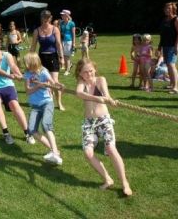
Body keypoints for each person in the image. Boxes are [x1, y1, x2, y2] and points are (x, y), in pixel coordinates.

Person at [75, 58, 132, 196]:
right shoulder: (82, 83)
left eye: (91, 70)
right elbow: (79, 93)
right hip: (89, 122)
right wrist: (96, 98)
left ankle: (125, 183)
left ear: (95, 69)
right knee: (88, 153)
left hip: (104, 120)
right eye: (85, 72)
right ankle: (107, 179)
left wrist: (109, 100)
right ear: (80, 74)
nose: (89, 74)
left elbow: (106, 95)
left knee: (111, 149)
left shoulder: (101, 80)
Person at [0, 37, 35, 145]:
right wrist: (10, 75)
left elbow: (13, 66)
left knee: (14, 105)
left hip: (8, 86)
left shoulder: (7, 55)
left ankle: (27, 133)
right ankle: (6, 133)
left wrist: (19, 75)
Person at [23, 52, 64, 165]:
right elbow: (27, 91)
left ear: (34, 63)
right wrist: (38, 86)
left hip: (47, 103)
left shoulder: (44, 71)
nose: (26, 67)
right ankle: (54, 150)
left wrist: (59, 86)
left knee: (46, 125)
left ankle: (55, 153)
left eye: (28, 65)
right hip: (35, 106)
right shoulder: (27, 74)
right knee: (31, 130)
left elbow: (53, 83)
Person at [30, 10, 65, 111]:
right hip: (41, 59)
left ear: (50, 18)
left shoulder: (55, 29)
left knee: (54, 82)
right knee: (44, 82)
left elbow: (58, 44)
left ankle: (59, 103)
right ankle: (47, 102)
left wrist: (61, 57)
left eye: (47, 17)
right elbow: (33, 47)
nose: (45, 19)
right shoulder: (37, 31)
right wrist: (30, 59)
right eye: (43, 17)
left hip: (53, 57)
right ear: (41, 18)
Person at [158, 2, 178, 94]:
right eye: (165, 8)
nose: (166, 10)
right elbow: (162, 35)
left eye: (168, 8)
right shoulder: (165, 20)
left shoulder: (177, 19)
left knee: (171, 65)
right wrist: (160, 47)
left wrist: (176, 45)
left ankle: (175, 87)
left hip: (173, 46)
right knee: (168, 65)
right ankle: (171, 84)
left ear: (173, 9)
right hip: (165, 45)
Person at [59, 9, 76, 76]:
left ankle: (67, 70)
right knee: (63, 55)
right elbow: (60, 32)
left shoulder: (72, 23)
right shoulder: (62, 23)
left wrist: (73, 43)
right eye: (61, 15)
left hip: (69, 41)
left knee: (67, 56)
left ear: (67, 15)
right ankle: (68, 66)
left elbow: (73, 34)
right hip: (62, 41)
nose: (61, 16)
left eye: (63, 15)